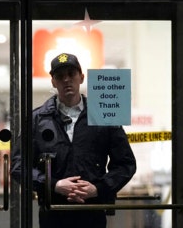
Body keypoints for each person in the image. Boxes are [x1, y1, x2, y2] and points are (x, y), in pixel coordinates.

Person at [11, 53, 137, 228]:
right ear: (53, 82)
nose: (66, 80)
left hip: (92, 213)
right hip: (53, 213)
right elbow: (18, 166)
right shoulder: (37, 119)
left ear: (82, 77)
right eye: (60, 76)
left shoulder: (103, 115)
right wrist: (54, 185)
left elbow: (125, 164)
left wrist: (98, 188)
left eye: (71, 74)